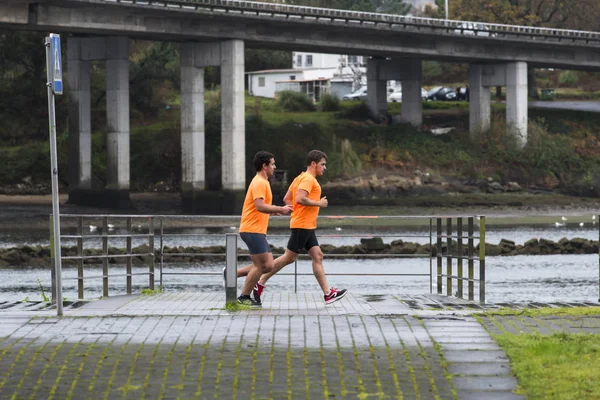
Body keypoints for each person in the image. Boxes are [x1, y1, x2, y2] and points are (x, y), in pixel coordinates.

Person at [237, 149, 348, 305]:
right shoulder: (308, 179)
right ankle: (258, 284)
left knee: (317, 255)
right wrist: (318, 203)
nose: (324, 168)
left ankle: (327, 294)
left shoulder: (300, 178)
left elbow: (287, 198)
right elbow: (300, 198)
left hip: (306, 224)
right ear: (314, 163)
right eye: (322, 164)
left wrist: (291, 210)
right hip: (303, 224)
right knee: (285, 259)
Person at [236, 151, 293, 306]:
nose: (274, 167)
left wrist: (273, 210)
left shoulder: (263, 182)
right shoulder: (259, 182)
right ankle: (244, 297)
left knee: (267, 265)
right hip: (252, 229)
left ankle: (232, 275)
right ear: (264, 166)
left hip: (256, 229)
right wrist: (280, 209)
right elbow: (259, 206)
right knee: (263, 266)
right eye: (272, 164)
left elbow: (261, 206)